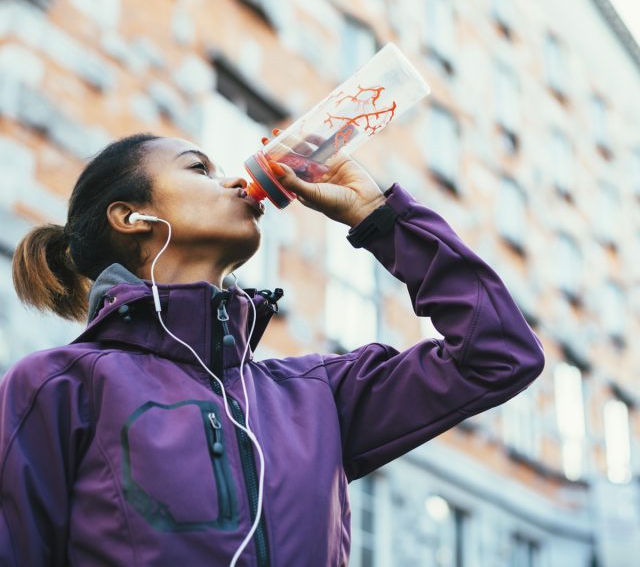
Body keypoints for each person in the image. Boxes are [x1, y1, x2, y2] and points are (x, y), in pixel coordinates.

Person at [1, 132, 544, 566]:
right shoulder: (58, 385)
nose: (237, 181)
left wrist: (378, 216)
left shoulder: (319, 396)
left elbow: (497, 354)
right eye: (200, 169)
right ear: (132, 216)